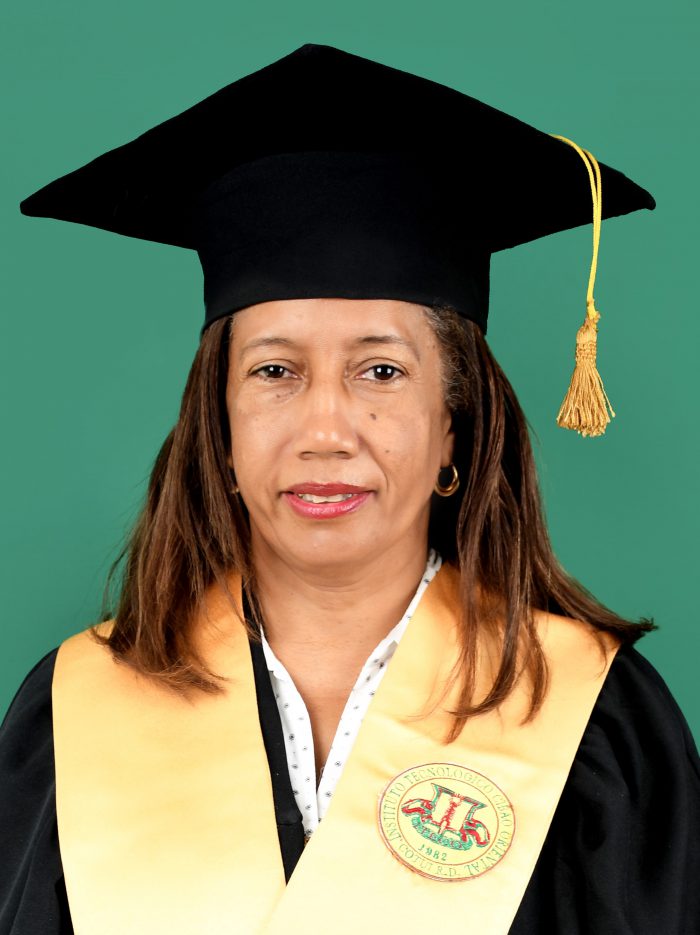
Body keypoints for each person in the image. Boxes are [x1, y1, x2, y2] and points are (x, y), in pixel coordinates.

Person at [2, 42, 698, 935]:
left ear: (454, 427)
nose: (325, 431)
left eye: (380, 371)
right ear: (220, 429)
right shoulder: (77, 715)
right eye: (275, 371)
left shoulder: (594, 721)